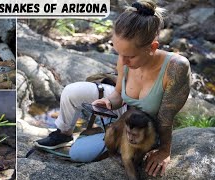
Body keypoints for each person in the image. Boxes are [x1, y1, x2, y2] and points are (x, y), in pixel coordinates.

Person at [34, 0, 191, 177]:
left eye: (129, 56)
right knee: (72, 91)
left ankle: (101, 135)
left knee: (78, 154)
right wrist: (108, 102)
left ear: (152, 48)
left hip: (144, 124)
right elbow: (118, 94)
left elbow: (165, 118)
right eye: (118, 53)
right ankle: (63, 133)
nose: (122, 62)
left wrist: (164, 151)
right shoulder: (125, 58)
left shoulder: (176, 67)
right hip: (124, 110)